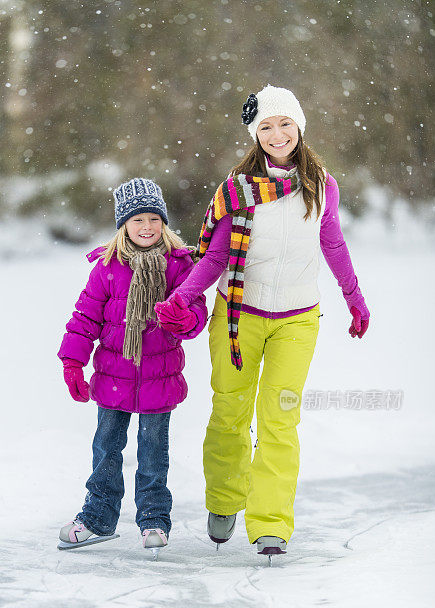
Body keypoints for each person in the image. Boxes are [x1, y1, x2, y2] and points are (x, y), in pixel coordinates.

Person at [155, 85, 370, 561]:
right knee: (230, 412)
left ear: (299, 127)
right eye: (267, 127)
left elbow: (333, 245)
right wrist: (183, 296)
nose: (277, 135)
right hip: (239, 316)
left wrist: (355, 299)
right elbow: (214, 258)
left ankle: (271, 522)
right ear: (256, 134)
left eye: (285, 124)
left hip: (297, 320)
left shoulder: (322, 186)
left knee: (280, 420)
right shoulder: (237, 188)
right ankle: (225, 499)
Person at [57, 178, 207, 555]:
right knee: (107, 449)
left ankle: (154, 519)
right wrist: (72, 362)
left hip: (160, 378)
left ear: (164, 222)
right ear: (123, 224)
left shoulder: (179, 266)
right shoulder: (107, 267)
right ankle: (98, 518)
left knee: (153, 453)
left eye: (154, 219)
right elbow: (84, 317)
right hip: (112, 377)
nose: (146, 227)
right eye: (137, 219)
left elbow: (198, 311)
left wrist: (183, 321)